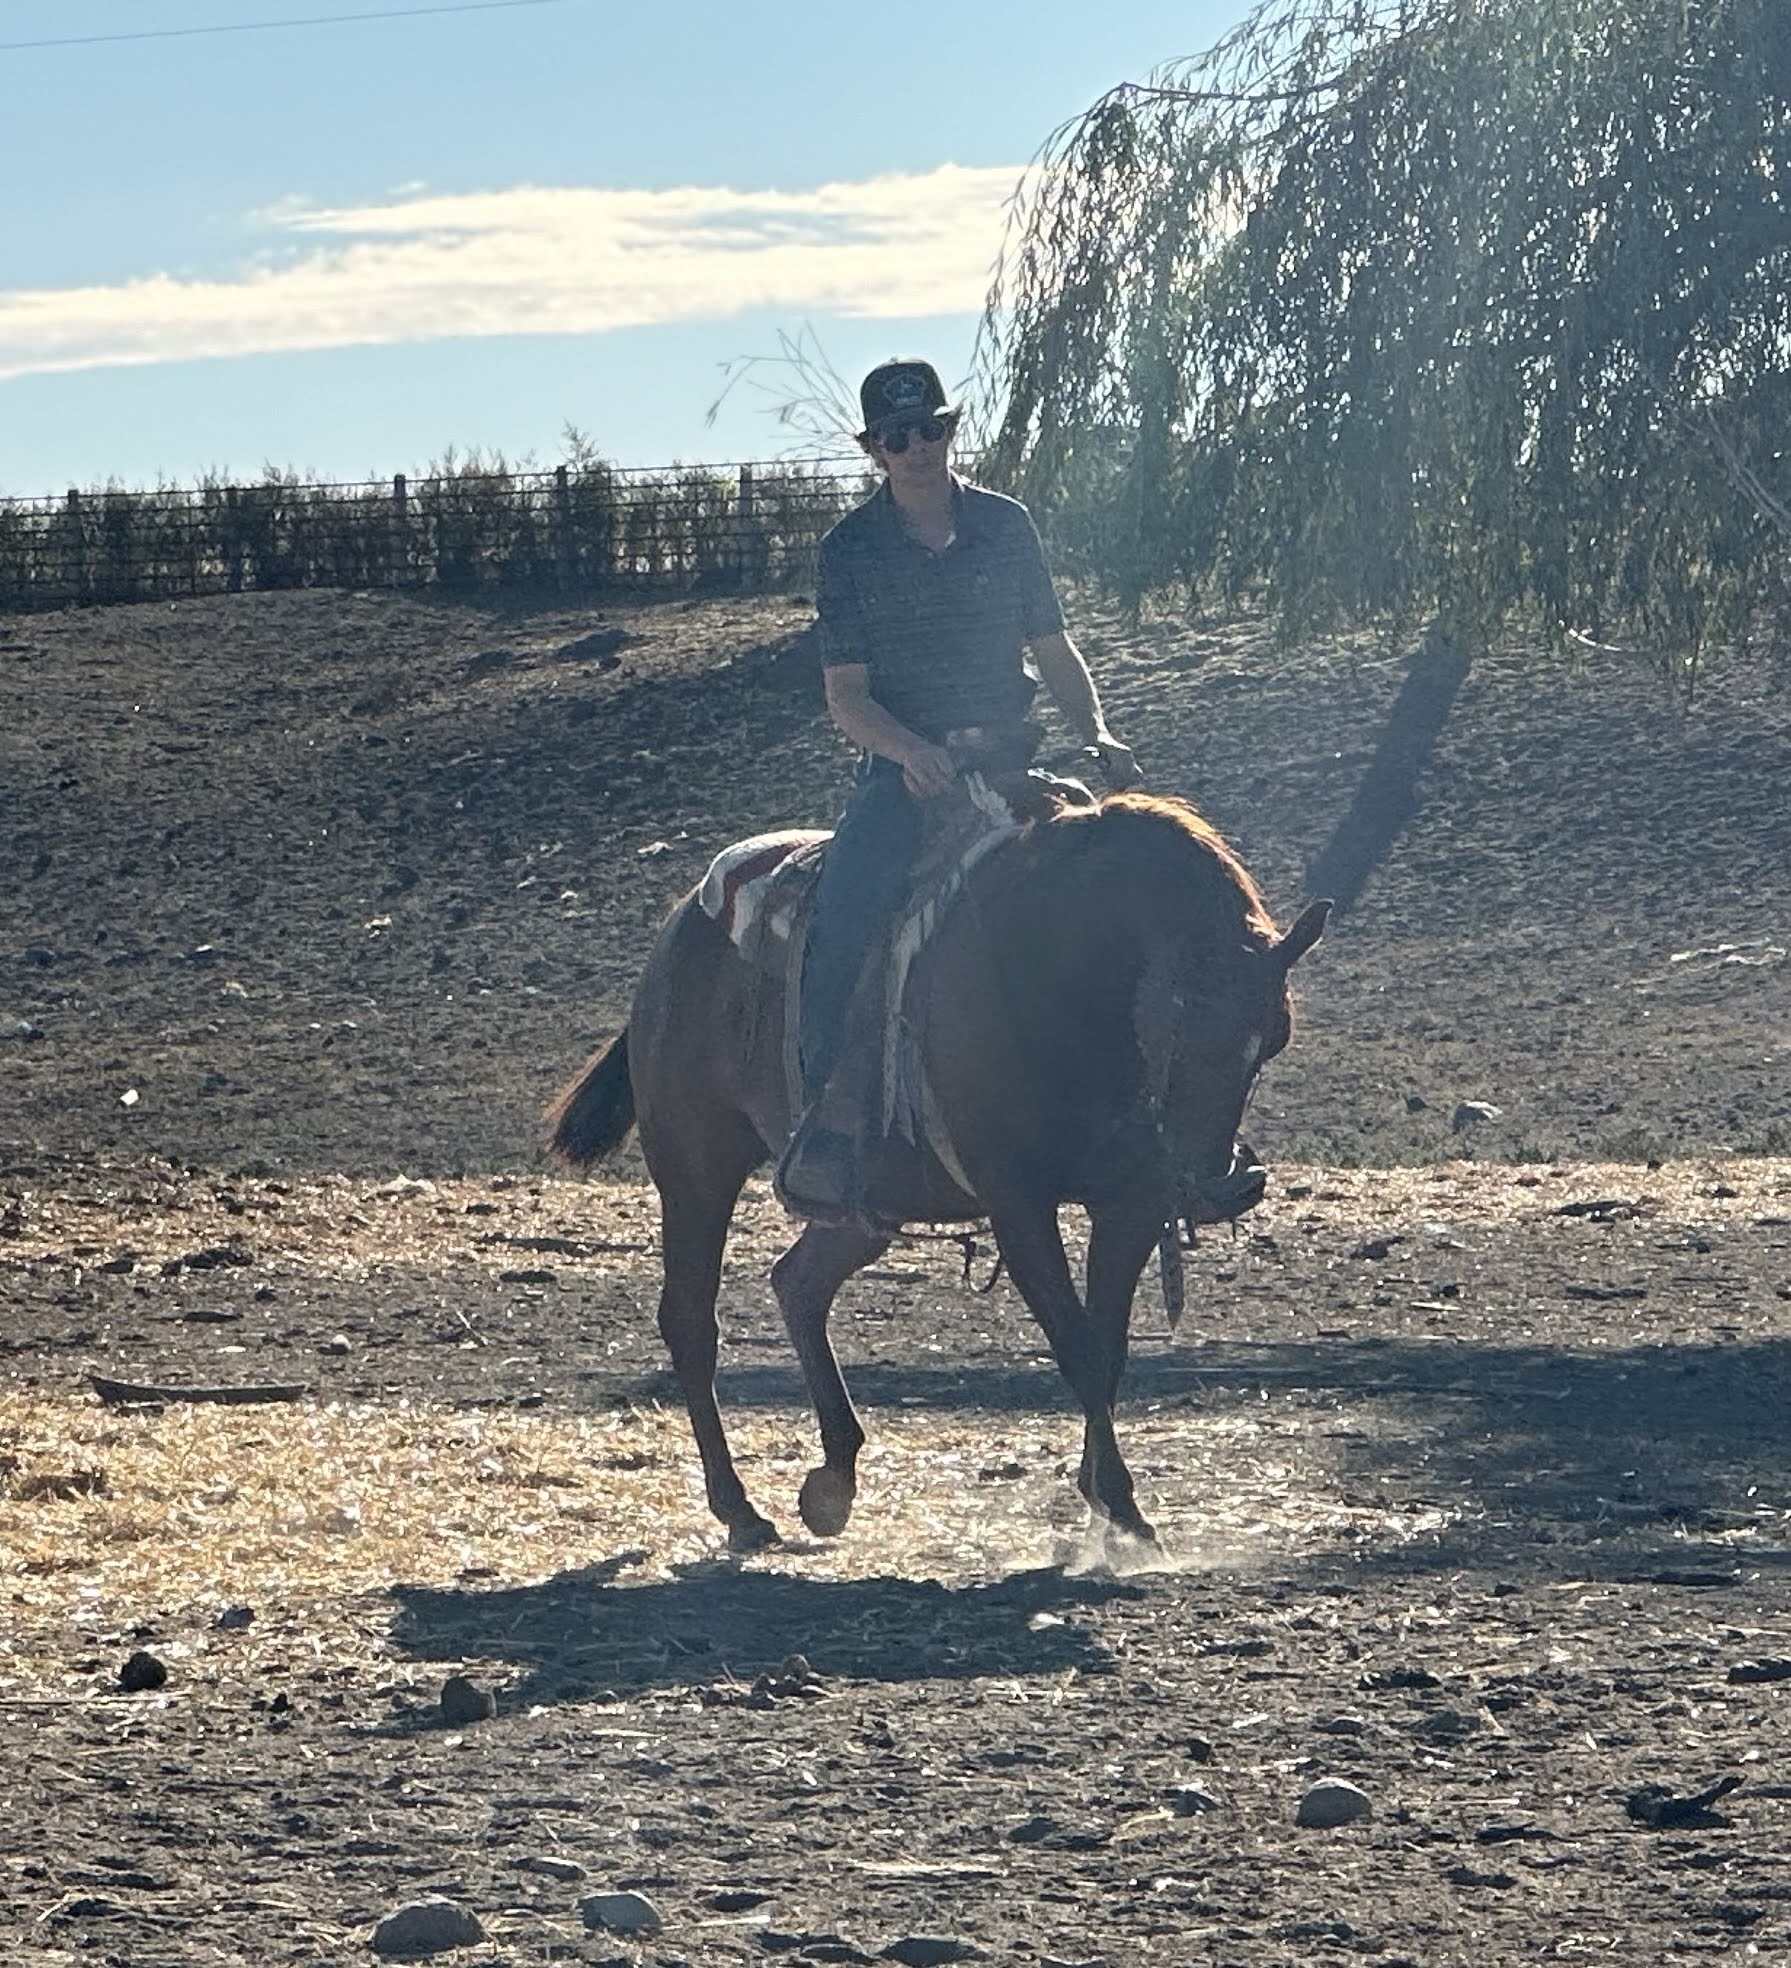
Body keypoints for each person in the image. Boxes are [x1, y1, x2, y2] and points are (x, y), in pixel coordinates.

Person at [774, 357, 1141, 1222]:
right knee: (844, 914)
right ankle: (831, 1119)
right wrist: (908, 753)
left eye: (930, 428)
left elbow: (1053, 648)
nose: (917, 447)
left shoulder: (1006, 525)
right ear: (873, 449)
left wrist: (1096, 731)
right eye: (897, 436)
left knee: (1122, 887)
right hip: (906, 779)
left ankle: (1151, 1111)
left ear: (950, 431)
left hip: (1012, 761)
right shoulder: (848, 550)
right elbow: (846, 696)